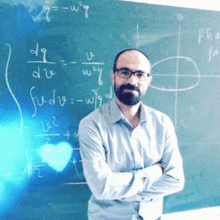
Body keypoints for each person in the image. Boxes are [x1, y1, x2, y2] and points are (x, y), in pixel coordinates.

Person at [78, 49, 185, 220]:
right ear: (113, 75)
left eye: (140, 74)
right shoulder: (91, 125)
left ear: (148, 80)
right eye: (125, 72)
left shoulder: (162, 123)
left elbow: (175, 180)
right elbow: (101, 187)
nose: (132, 80)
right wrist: (154, 172)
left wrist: (117, 190)